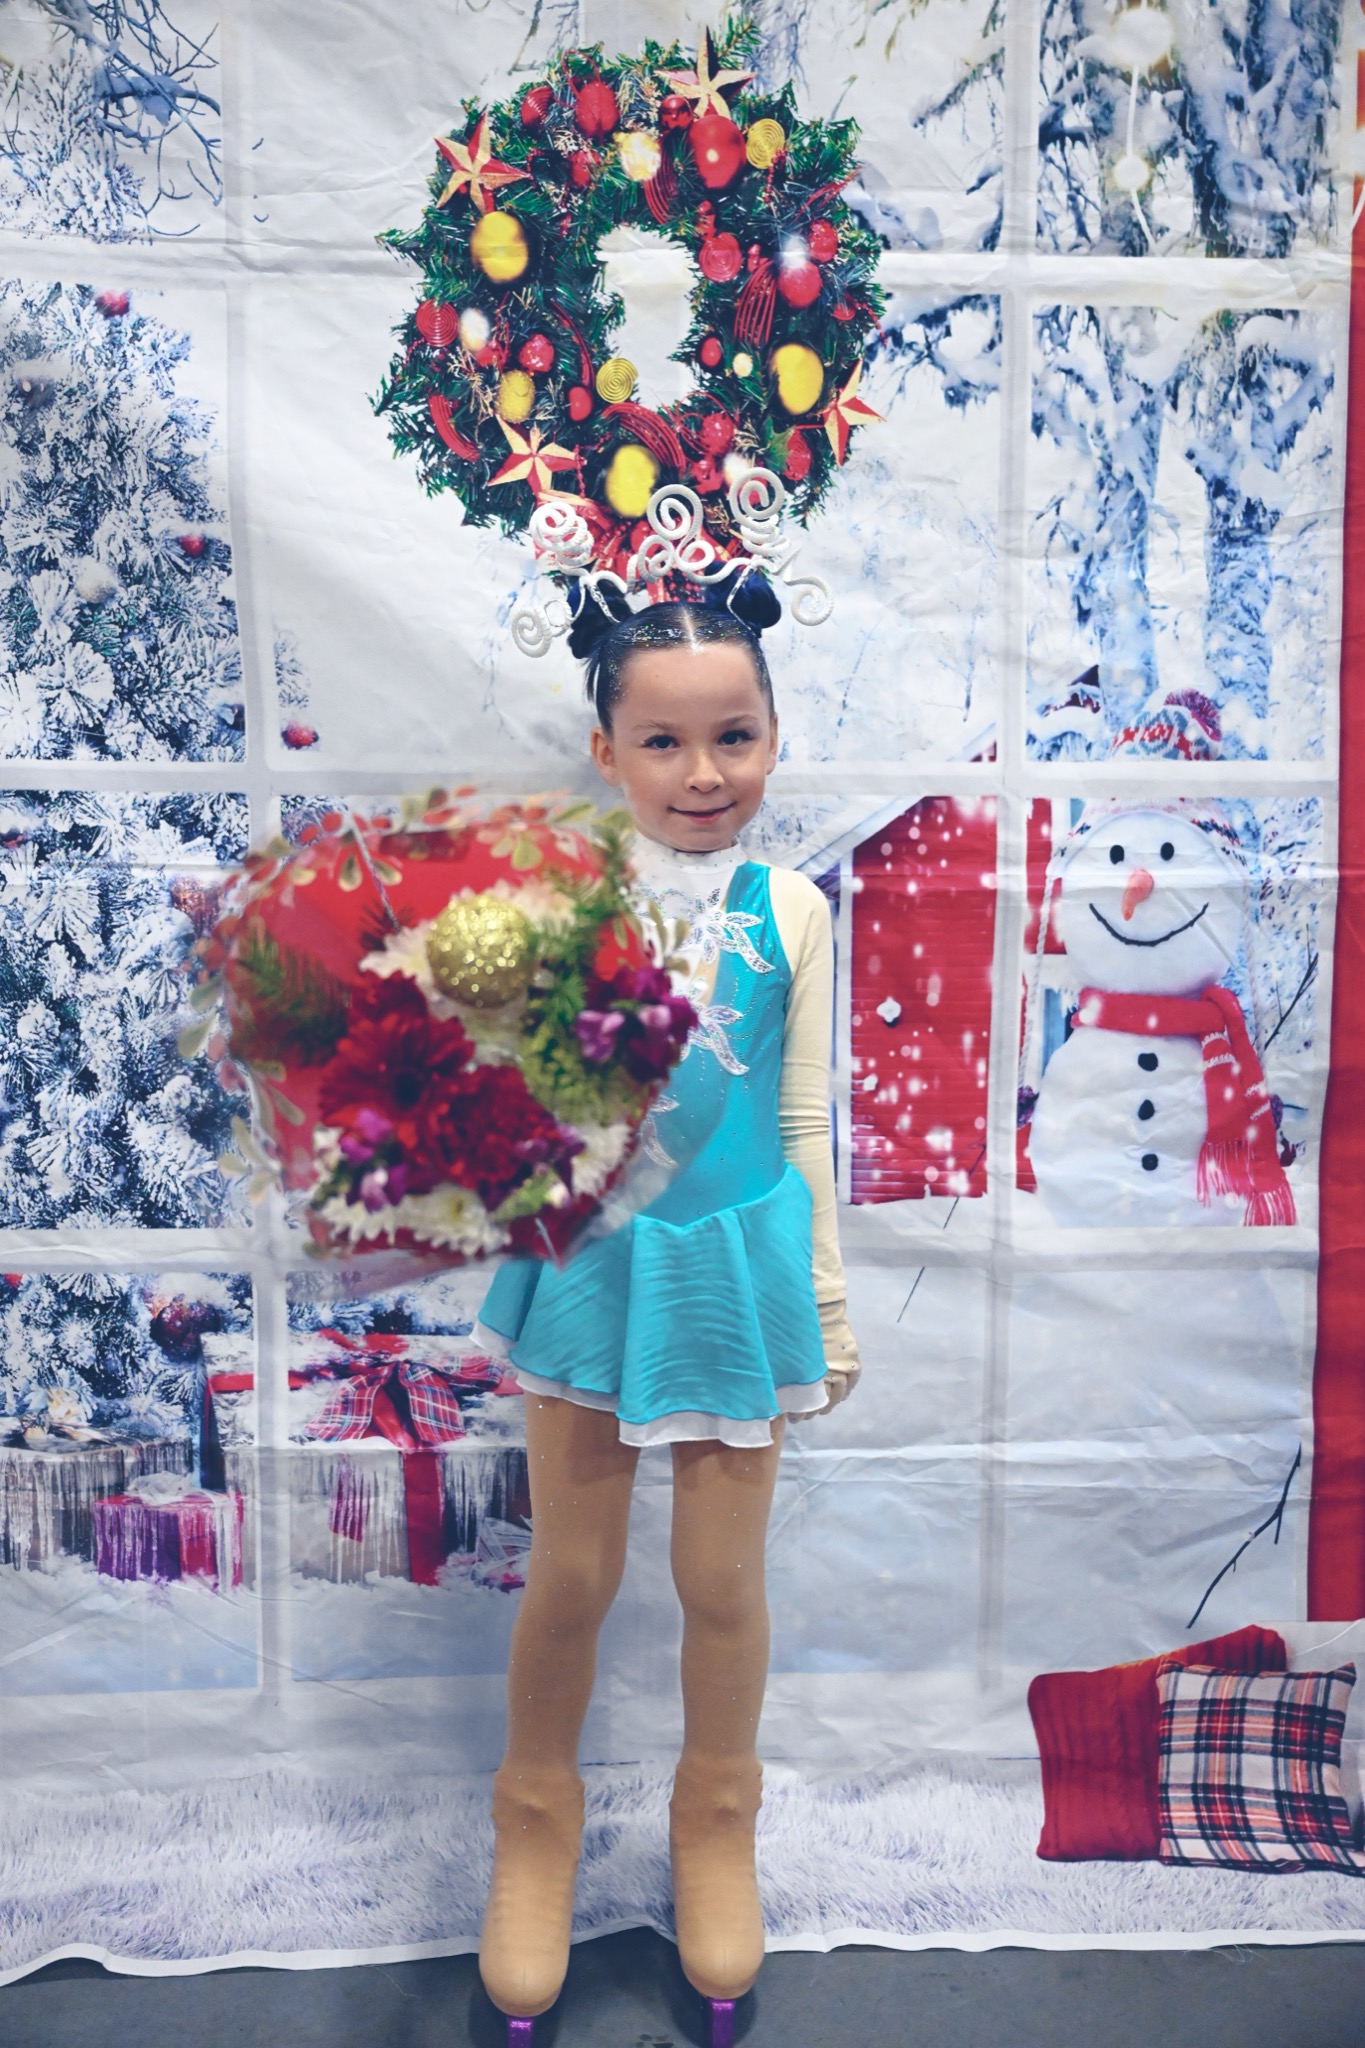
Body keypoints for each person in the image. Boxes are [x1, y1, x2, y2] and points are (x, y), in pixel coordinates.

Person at [474, 579, 861, 2045]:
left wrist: (824, 1296)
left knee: (722, 1582)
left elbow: (803, 1117)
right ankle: (533, 1823)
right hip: (593, 1267)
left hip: (735, 1278)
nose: (703, 773)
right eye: (663, 741)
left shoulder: (797, 911)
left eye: (733, 736)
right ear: (606, 750)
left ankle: (716, 1822)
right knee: (571, 1578)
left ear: (771, 735)